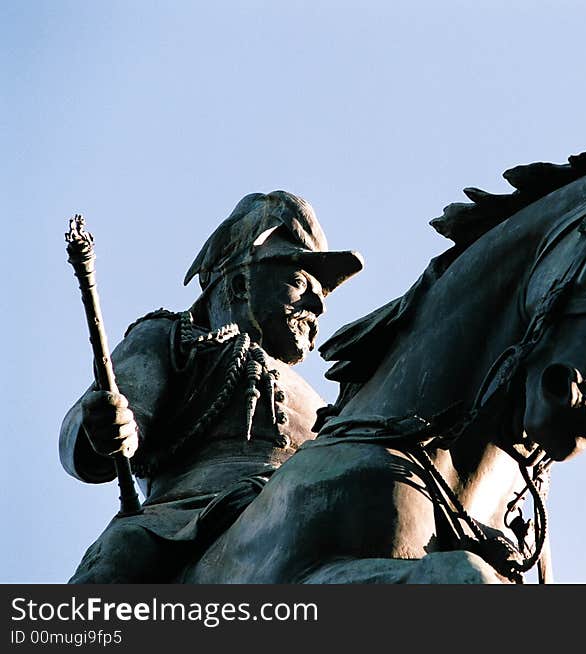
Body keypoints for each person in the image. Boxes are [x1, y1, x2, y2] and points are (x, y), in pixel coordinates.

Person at [59, 191, 363, 583]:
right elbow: (87, 426)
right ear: (239, 284)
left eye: (322, 296)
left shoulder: (325, 400)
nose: (317, 306)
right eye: (299, 282)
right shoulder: (174, 338)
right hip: (187, 517)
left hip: (312, 508)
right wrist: (103, 427)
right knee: (120, 556)